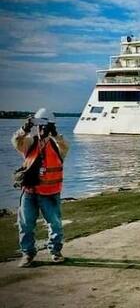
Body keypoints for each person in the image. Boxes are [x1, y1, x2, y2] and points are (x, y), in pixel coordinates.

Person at [12, 108, 69, 267]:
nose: (41, 129)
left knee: (55, 224)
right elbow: (16, 141)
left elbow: (65, 146)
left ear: (51, 127)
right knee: (25, 224)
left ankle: (55, 251)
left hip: (50, 193)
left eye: (45, 126)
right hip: (30, 192)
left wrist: (55, 134)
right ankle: (28, 254)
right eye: (39, 126)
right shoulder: (30, 142)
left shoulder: (58, 145)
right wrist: (25, 128)